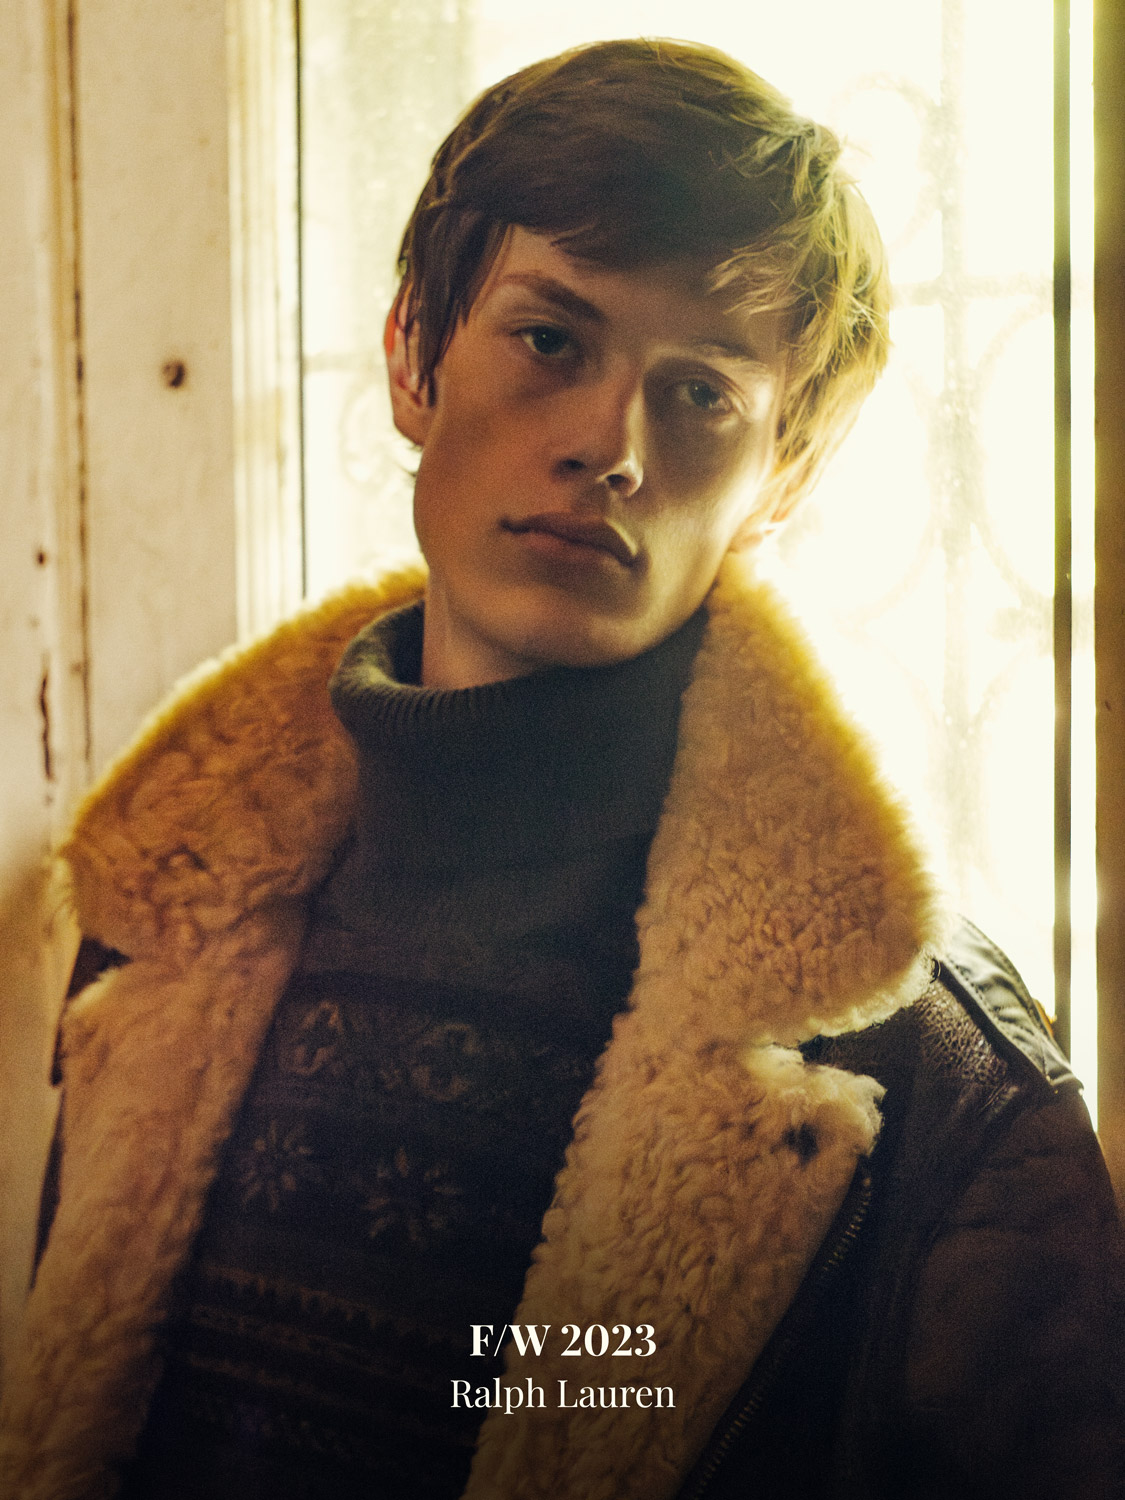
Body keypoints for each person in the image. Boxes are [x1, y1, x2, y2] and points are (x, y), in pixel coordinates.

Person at [1, 36, 1121, 1500]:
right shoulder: (167, 908)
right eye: (550, 340)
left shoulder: (923, 1072)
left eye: (700, 393)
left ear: (781, 478)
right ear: (412, 357)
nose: (609, 443)